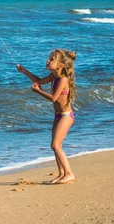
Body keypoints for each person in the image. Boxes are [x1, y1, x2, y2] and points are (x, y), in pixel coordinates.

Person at [16, 49, 77, 184]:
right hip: (58, 115)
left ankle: (69, 173)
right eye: (49, 58)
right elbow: (39, 81)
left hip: (66, 116)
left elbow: (55, 98)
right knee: (55, 145)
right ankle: (61, 174)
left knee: (55, 145)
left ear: (60, 65)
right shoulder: (53, 76)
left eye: (51, 59)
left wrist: (38, 92)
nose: (47, 61)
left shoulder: (63, 79)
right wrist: (25, 71)